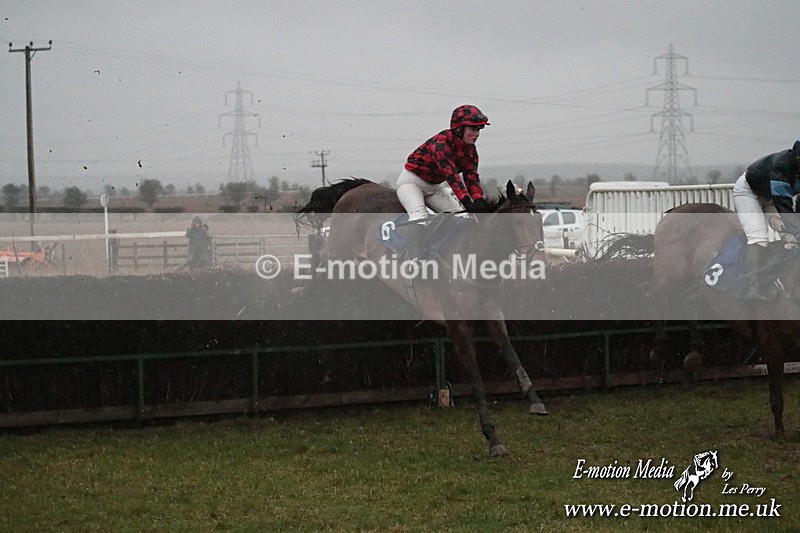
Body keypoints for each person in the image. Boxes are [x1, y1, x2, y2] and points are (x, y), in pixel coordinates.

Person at [396, 104, 491, 257]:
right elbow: (452, 176)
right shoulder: (440, 144)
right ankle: (414, 258)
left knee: (459, 218)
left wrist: (479, 200)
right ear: (460, 129)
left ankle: (447, 254)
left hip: (434, 187)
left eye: (479, 130)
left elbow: (471, 177)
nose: (477, 134)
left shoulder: (471, 151)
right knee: (419, 215)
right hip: (411, 183)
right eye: (473, 129)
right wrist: (467, 202)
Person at [732, 137, 800, 271]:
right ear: (798, 158)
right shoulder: (781, 166)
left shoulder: (795, 163)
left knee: (790, 238)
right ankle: (752, 287)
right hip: (749, 192)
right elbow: (783, 204)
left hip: (770, 197)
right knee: (758, 238)